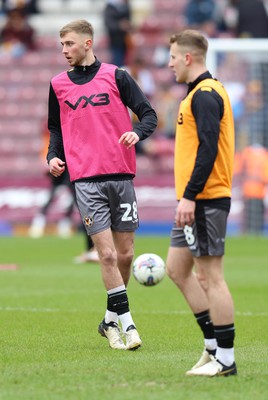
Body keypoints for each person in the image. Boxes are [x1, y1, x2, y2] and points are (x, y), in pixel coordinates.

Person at [47, 19, 157, 350]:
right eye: (61, 44)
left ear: (88, 43)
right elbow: (56, 127)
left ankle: (109, 319)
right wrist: (53, 155)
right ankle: (127, 326)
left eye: (69, 43)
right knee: (106, 255)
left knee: (125, 255)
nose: (64, 50)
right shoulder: (57, 84)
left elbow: (148, 114)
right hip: (86, 180)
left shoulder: (117, 76)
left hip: (121, 176)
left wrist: (137, 132)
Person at [166, 30, 237, 376]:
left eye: (173, 57)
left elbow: (208, 150)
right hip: (192, 201)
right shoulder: (198, 93)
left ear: (188, 58)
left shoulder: (206, 95)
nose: (170, 64)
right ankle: (212, 347)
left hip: (205, 199)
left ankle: (226, 359)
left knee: (212, 276)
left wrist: (190, 196)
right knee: (177, 270)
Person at [103, 0, 133, 67]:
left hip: (125, 41)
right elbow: (109, 24)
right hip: (115, 41)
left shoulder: (125, 6)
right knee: (117, 63)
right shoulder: (110, 8)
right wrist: (120, 25)